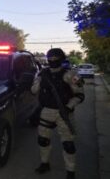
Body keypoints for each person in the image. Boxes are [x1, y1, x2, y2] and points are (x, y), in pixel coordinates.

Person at [31, 48, 85, 179]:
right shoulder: (42, 74)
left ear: (61, 59)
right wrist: (36, 81)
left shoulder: (70, 75)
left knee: (68, 144)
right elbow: (33, 90)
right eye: (50, 59)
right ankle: (45, 163)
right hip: (47, 111)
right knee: (43, 140)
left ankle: (70, 171)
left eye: (55, 59)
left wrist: (69, 106)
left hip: (63, 112)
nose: (52, 61)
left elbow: (80, 95)